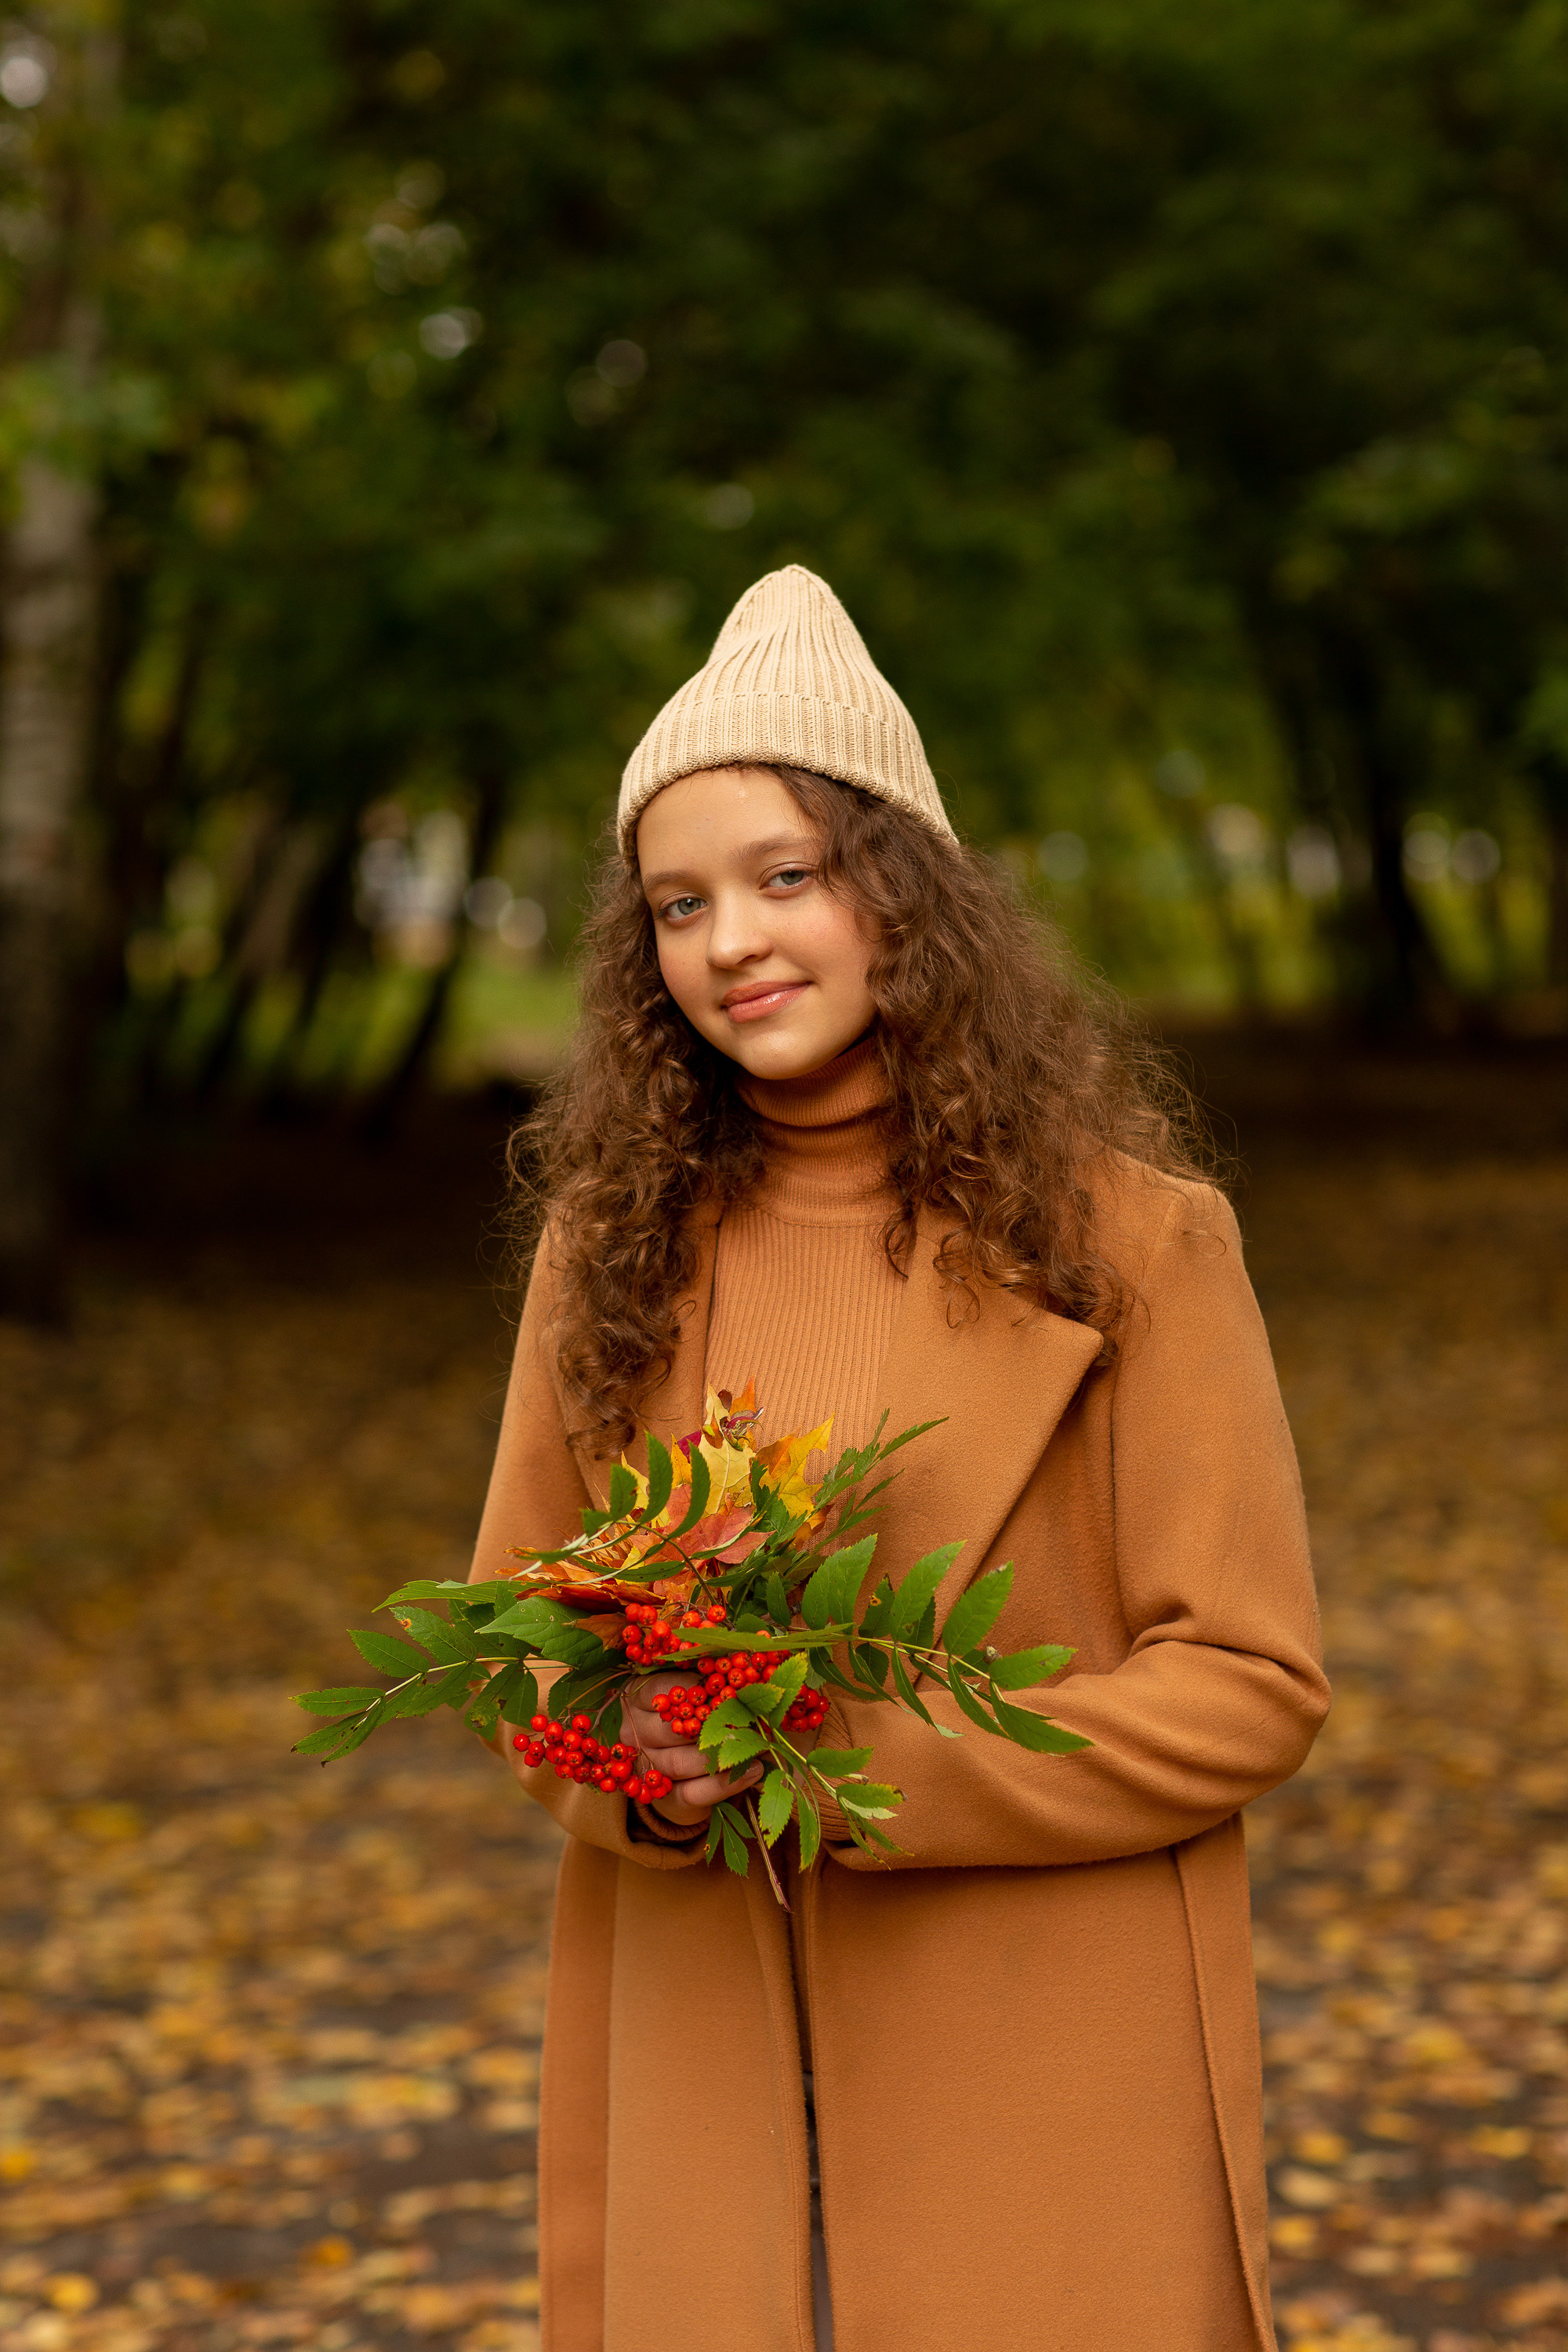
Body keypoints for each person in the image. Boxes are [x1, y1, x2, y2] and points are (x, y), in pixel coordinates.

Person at [469, 565, 1329, 2352]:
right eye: (679, 904)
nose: (733, 941)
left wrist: (860, 1767)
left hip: (1037, 2068)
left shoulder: (1136, 1244)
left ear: (904, 897)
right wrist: (627, 1765)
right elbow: (517, 1645)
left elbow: (1248, 1685)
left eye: (786, 876)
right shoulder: (608, 1251)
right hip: (700, 2054)